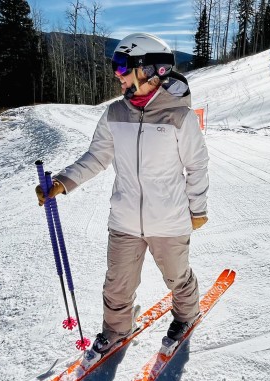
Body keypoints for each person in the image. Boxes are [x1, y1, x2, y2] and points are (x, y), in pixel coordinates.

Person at [36, 32, 209, 356]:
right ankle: (117, 327)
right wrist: (63, 181)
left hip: (169, 219)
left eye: (124, 67)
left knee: (177, 277)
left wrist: (197, 211)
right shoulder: (115, 114)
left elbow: (197, 166)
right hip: (125, 218)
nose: (117, 75)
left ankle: (186, 315)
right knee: (117, 284)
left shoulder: (179, 117)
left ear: (153, 71)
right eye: (117, 67)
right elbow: (97, 156)